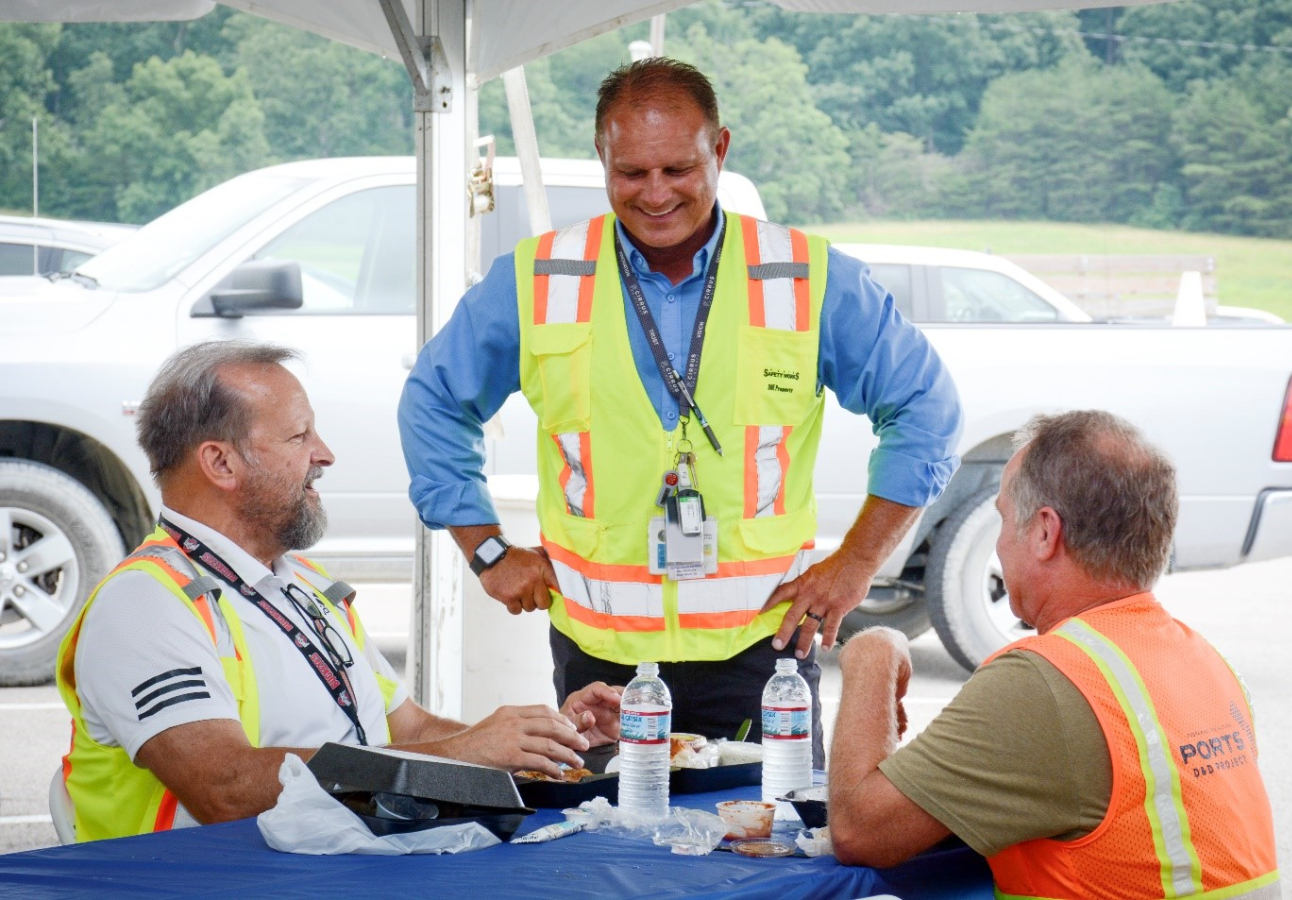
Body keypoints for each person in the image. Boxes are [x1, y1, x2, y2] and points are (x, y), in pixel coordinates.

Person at [398, 58, 961, 763]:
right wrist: (484, 549)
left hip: (762, 657)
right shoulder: (540, 278)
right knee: (605, 855)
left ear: (719, 150)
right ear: (602, 158)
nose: (656, 194)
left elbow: (925, 409)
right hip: (597, 667)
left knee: (769, 853)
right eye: (631, 172)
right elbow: (433, 401)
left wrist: (858, 562)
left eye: (679, 169)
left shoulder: (804, 277)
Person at [56, 341, 621, 843]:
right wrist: (462, 754)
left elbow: (408, 733)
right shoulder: (145, 605)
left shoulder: (303, 584)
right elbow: (223, 786)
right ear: (220, 462)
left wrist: (542, 743)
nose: (324, 454)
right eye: (299, 435)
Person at [829, 410, 1280, 898]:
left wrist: (873, 654)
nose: (1000, 544)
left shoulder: (1048, 682)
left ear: (1045, 532)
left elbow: (861, 831)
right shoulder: (1204, 661)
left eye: (1003, 518)